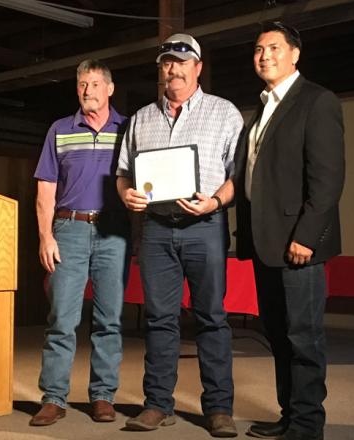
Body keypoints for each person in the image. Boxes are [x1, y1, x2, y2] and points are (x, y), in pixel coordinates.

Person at [116, 33, 243, 438]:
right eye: (167, 62)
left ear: (198, 67)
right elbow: (123, 174)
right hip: (156, 229)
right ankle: (157, 404)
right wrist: (126, 195)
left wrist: (215, 202)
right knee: (159, 320)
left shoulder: (224, 113)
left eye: (181, 62)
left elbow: (238, 176)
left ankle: (219, 409)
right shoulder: (141, 118)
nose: (173, 69)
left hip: (205, 227)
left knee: (212, 318)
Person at [233, 22, 345, 440]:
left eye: (274, 48)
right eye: (258, 49)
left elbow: (328, 180)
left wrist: (307, 236)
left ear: (295, 54)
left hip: (299, 244)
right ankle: (290, 416)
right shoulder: (262, 108)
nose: (264, 55)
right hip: (266, 243)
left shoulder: (317, 101)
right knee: (279, 336)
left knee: (304, 337)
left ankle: (308, 425)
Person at [30, 59, 130, 426]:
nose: (88, 91)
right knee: (61, 319)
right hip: (68, 230)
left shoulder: (128, 129)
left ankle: (103, 396)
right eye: (82, 85)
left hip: (114, 232)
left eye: (95, 84)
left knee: (109, 320)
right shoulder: (60, 129)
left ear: (110, 88)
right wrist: (45, 236)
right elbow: (45, 188)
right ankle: (53, 398)